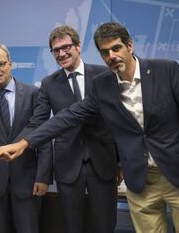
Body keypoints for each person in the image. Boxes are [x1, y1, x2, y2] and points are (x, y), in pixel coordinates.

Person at [0, 22, 179, 233]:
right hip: (141, 180)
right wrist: (24, 143)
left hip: (178, 175)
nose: (112, 56)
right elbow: (67, 117)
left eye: (116, 48)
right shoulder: (103, 85)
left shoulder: (166, 70)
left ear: (129, 46)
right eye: (105, 52)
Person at [18, 25, 118, 233]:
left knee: (105, 224)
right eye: (56, 50)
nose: (62, 53)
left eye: (66, 47)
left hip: (103, 161)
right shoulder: (48, 84)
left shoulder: (104, 75)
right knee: (72, 226)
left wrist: (121, 161)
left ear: (79, 46)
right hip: (68, 164)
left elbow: (117, 121)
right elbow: (38, 122)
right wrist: (17, 144)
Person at [0, 43, 53, 233]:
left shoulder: (34, 93)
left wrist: (43, 177)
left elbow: (43, 137)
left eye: (0, 64)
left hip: (27, 182)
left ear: (11, 64)